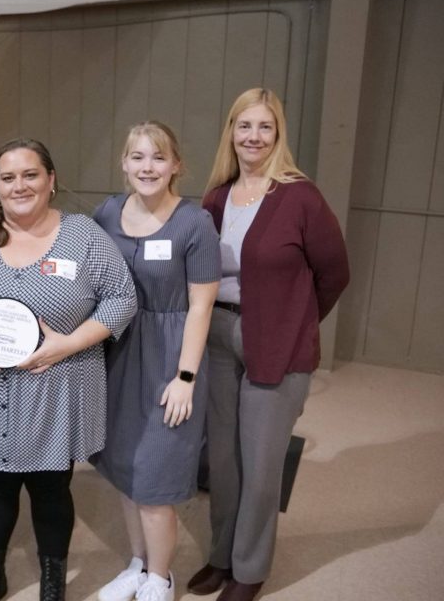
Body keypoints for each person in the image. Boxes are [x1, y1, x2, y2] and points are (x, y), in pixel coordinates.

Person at [0, 138, 137, 601]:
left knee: (51, 487)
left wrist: (68, 344)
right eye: (7, 177)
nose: (19, 185)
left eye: (30, 174)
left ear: (51, 180)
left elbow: (123, 297)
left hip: (57, 387)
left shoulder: (82, 235)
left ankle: (52, 580)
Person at [185, 88, 349, 601]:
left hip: (277, 344)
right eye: (244, 126)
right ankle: (221, 555)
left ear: (278, 135)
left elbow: (335, 273)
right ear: (230, 132)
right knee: (224, 463)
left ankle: (249, 570)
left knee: (260, 468)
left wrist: (296, 322)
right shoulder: (216, 197)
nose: (253, 137)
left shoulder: (300, 196)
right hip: (217, 338)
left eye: (265, 127)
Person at [92, 121, 220, 601]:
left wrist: (185, 377)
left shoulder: (194, 224)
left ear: (176, 166)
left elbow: (202, 306)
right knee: (125, 471)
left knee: (156, 479)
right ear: (124, 163)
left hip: (170, 357)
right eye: (138, 157)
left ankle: (160, 579)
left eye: (158, 157)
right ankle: (138, 564)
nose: (148, 167)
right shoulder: (107, 212)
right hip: (117, 354)